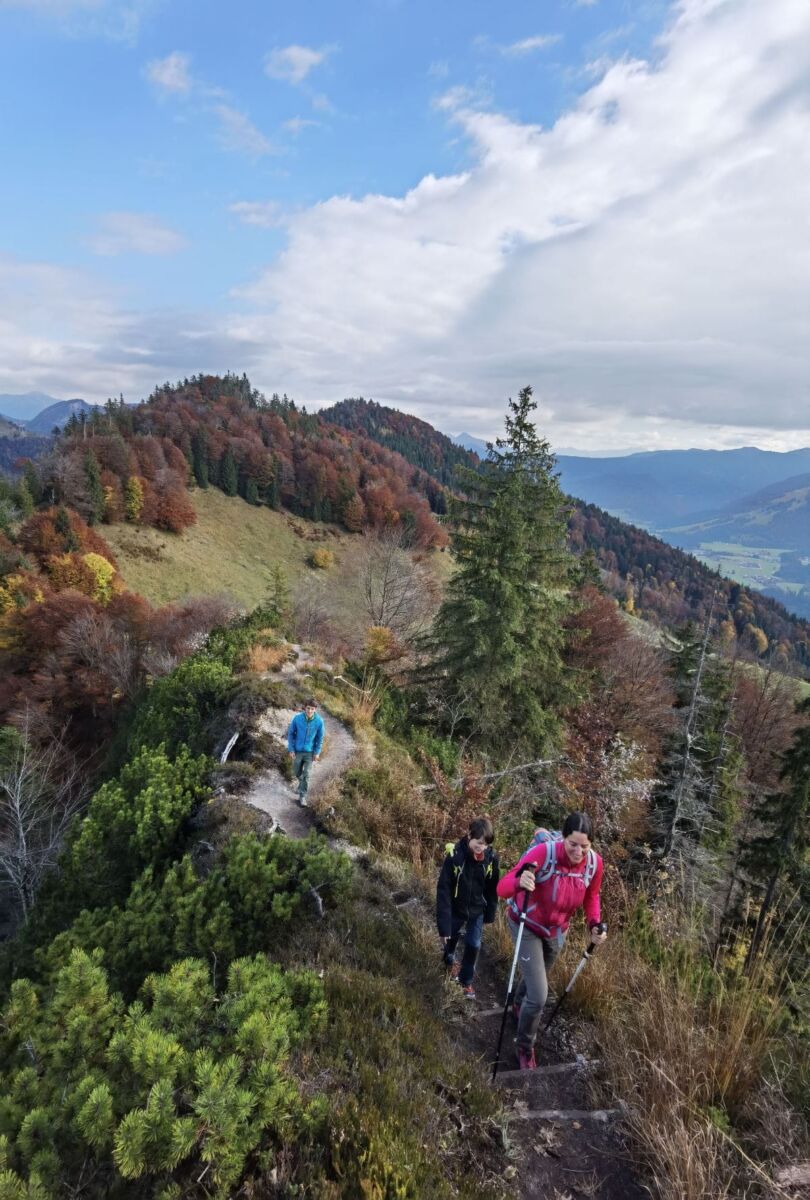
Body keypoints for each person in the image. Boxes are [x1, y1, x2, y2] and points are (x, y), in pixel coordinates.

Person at [496, 811, 607, 1070]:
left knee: (537, 979)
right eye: (572, 844)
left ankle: (518, 1006)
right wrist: (519, 881)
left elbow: (592, 896)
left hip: (557, 931)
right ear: (563, 838)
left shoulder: (594, 864)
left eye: (585, 846)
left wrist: (594, 924)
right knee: (539, 994)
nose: (578, 851)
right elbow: (502, 888)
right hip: (527, 924)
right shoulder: (543, 854)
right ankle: (524, 1046)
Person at [436, 816, 500, 1000]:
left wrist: (490, 913)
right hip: (456, 907)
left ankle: (466, 981)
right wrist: (443, 924)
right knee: (450, 937)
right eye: (478, 843)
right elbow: (443, 890)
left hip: (477, 910)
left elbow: (492, 888)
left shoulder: (491, 858)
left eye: (485, 844)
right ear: (468, 836)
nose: (482, 848)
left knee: (474, 944)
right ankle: (449, 960)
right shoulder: (455, 856)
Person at [286, 699, 325, 807]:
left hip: (310, 752)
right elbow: (291, 735)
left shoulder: (319, 721)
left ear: (315, 709)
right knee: (296, 771)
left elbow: (320, 738)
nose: (310, 711)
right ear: (305, 707)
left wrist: (317, 752)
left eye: (312, 709)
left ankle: (302, 796)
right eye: (308, 708)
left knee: (306, 774)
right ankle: (301, 785)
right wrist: (291, 749)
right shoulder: (297, 719)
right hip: (298, 750)